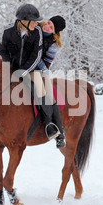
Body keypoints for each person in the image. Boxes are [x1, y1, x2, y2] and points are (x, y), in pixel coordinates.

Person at [0, 3, 60, 141]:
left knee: (40, 89)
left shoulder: (36, 32)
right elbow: (3, 51)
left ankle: (49, 124)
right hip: (11, 68)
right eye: (34, 22)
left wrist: (23, 71)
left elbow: (36, 55)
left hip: (31, 70)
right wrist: (9, 67)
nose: (37, 24)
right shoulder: (8, 32)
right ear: (24, 22)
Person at [38, 16, 66, 149]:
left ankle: (58, 133)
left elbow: (47, 64)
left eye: (51, 27)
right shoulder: (35, 28)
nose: (47, 26)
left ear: (55, 32)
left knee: (49, 96)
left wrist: (34, 61)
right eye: (48, 23)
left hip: (41, 70)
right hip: (22, 66)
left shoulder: (54, 44)